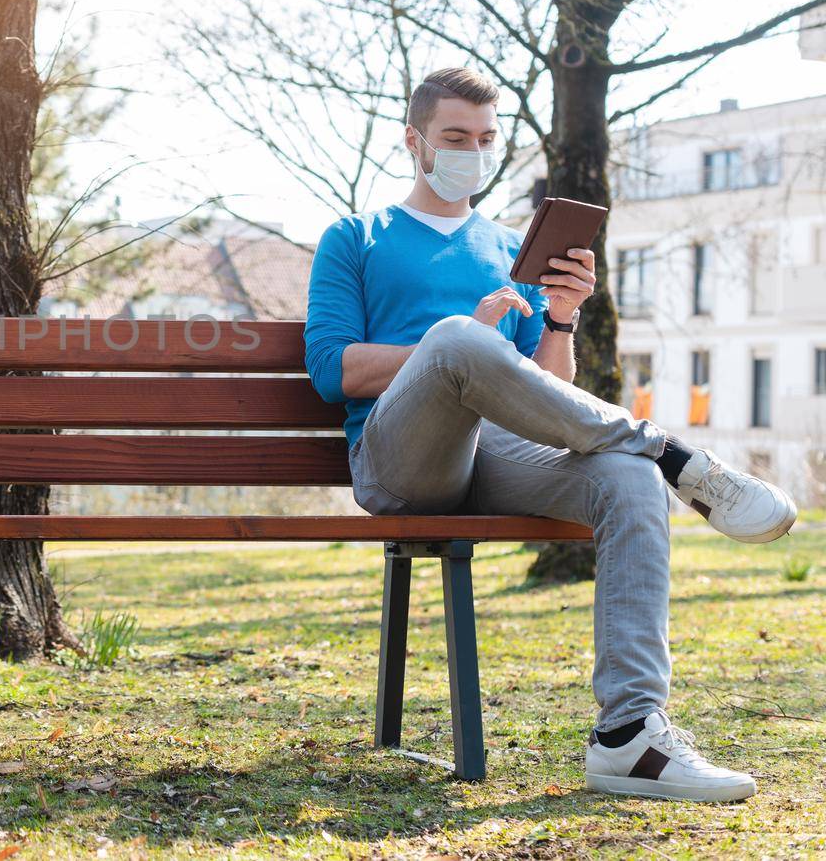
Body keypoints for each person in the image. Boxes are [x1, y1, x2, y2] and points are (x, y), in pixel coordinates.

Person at [304, 66, 797, 803]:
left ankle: (630, 735)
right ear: (415, 140)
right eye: (454, 137)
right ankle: (669, 450)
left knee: (625, 476)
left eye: (485, 138)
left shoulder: (513, 248)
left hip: (502, 453)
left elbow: (550, 389)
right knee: (456, 339)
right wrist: (462, 344)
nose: (472, 150)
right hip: (402, 460)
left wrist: (560, 314)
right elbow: (331, 368)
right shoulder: (356, 237)